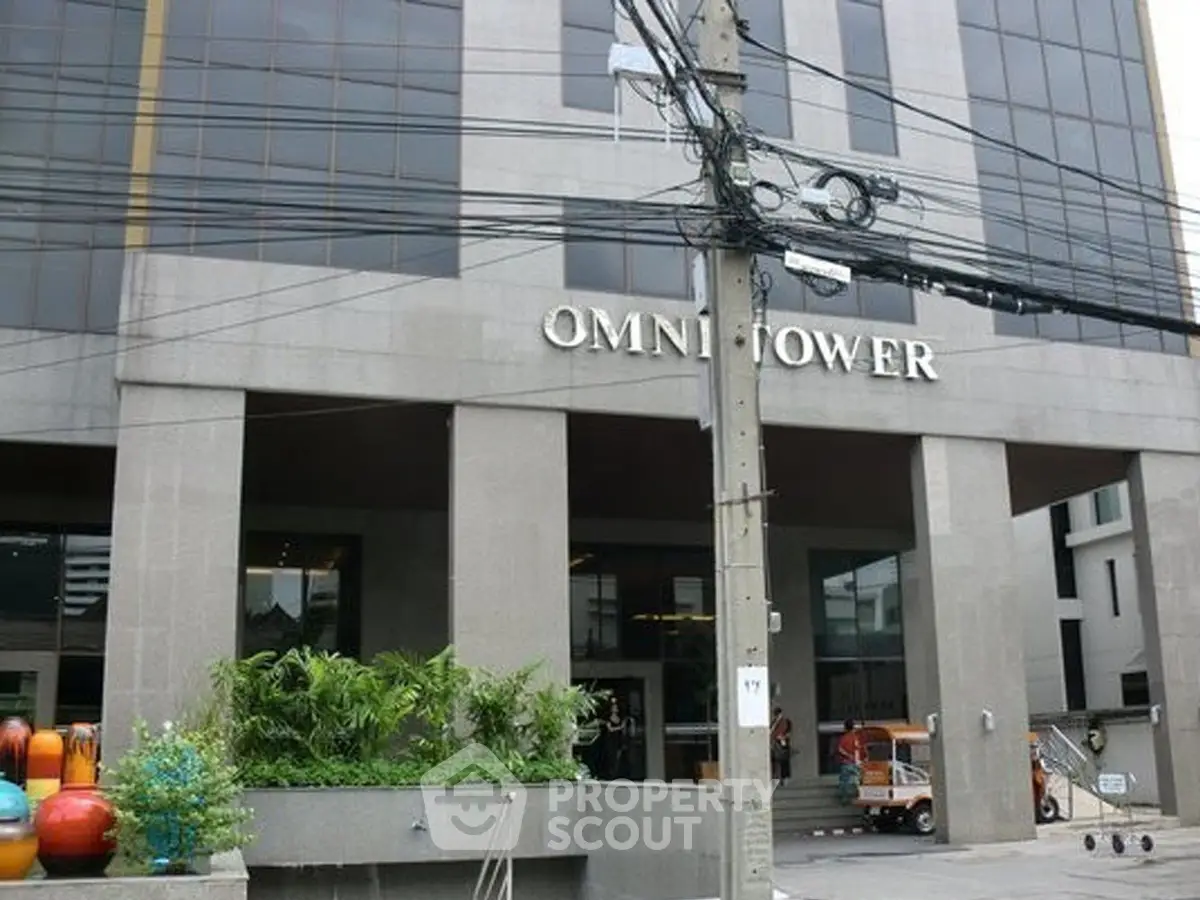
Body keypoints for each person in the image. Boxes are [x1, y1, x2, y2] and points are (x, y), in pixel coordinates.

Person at [599, 696, 629, 780]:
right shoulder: (608, 718)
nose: (615, 709)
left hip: (618, 739)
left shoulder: (620, 717)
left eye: (616, 707)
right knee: (611, 756)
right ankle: (610, 774)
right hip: (611, 739)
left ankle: (617, 773)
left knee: (618, 756)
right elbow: (610, 729)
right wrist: (620, 727)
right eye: (613, 708)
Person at [835, 718, 863, 804]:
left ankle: (844, 799)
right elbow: (858, 750)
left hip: (846, 762)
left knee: (844, 781)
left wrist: (847, 755)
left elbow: (840, 749)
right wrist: (858, 761)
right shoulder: (856, 737)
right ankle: (860, 797)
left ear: (845, 728)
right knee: (858, 780)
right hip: (855, 762)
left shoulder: (844, 738)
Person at [770, 706, 793, 786]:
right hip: (775, 744)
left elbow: (788, 733)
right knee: (774, 761)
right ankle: (775, 777)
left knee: (784, 762)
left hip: (782, 744)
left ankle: (785, 778)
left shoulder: (786, 722)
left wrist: (782, 737)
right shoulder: (773, 723)